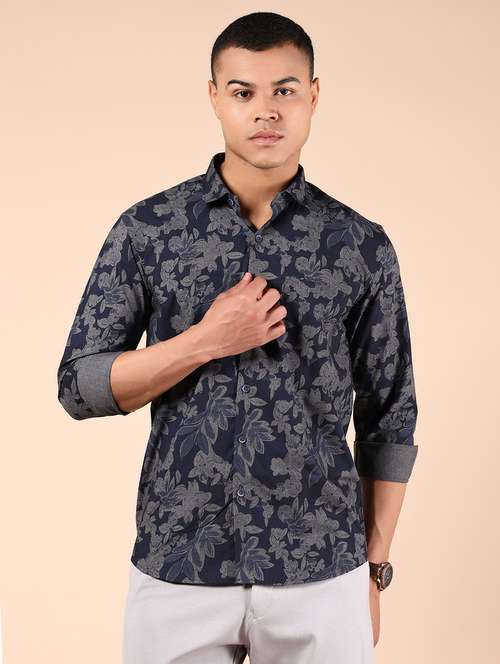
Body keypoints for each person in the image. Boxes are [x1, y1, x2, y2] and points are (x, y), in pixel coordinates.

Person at [56, 10, 419, 664]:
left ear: (314, 96)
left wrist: (374, 569)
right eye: (244, 91)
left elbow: (390, 416)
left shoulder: (360, 246)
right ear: (214, 97)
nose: (266, 110)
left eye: (285, 90)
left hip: (322, 572)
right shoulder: (149, 230)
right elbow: (79, 387)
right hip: (178, 567)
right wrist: (204, 340)